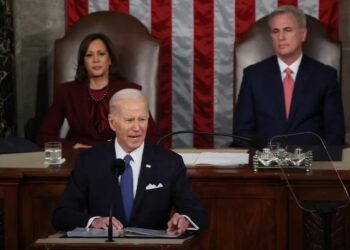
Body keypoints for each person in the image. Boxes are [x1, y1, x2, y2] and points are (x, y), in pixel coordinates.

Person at [52, 88, 208, 234]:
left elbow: (198, 214)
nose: (137, 128)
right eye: (129, 120)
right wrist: (94, 221)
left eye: (142, 119)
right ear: (113, 123)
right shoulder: (89, 161)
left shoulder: (169, 162)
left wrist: (184, 220)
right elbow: (62, 215)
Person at [233, 5, 345, 148]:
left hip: (311, 163)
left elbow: (335, 134)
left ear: (303, 34)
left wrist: (314, 161)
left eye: (287, 30)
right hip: (265, 163)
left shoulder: (325, 76)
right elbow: (242, 133)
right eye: (275, 31)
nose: (281, 37)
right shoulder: (253, 75)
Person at [36, 33, 158, 149]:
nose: (96, 60)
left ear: (110, 59)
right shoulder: (66, 92)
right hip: (80, 157)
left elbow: (152, 136)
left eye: (101, 54)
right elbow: (44, 137)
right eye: (89, 55)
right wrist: (73, 146)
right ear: (83, 62)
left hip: (118, 157)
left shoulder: (129, 91)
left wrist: (123, 149)